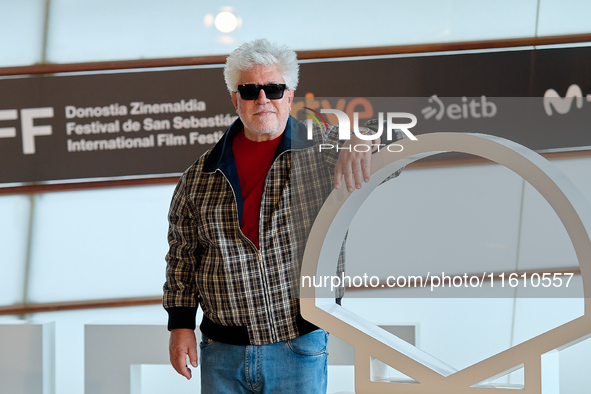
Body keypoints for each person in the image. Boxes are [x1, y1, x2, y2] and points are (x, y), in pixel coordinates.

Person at [163, 38, 377, 393]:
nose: (263, 99)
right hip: (221, 352)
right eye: (250, 90)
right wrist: (180, 324)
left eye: (273, 88)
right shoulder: (198, 177)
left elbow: (399, 144)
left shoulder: (322, 150)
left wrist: (363, 139)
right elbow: (182, 257)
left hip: (299, 343)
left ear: (290, 96)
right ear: (236, 99)